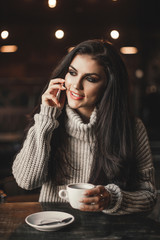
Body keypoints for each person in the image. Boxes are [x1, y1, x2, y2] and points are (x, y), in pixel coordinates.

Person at [12, 39, 157, 215]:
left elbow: (149, 196)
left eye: (90, 78)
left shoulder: (132, 127)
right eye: (72, 73)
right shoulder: (47, 120)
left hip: (107, 232)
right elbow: (26, 181)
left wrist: (113, 199)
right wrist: (46, 118)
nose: (76, 85)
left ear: (108, 85)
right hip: (53, 228)